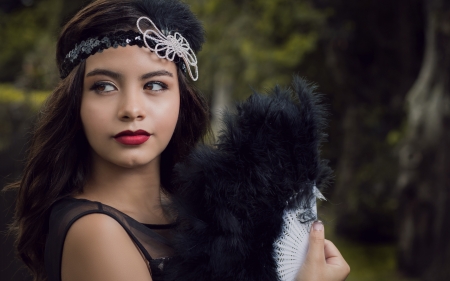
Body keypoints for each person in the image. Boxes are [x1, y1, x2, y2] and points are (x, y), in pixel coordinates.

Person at [9, 0, 350, 281]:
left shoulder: (197, 210)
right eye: (104, 86)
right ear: (76, 103)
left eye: (155, 85)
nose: (131, 109)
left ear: (181, 100)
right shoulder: (96, 233)